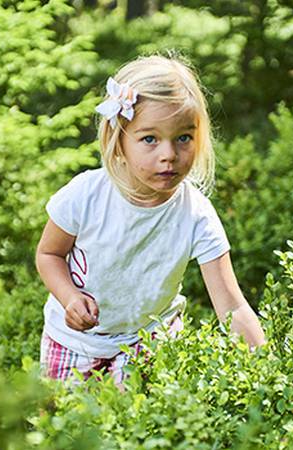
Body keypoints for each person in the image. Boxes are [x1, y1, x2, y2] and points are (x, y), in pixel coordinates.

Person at [35, 54, 266, 387]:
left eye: (183, 138)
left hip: (149, 341)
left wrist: (270, 375)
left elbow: (232, 306)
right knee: (69, 429)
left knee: (143, 431)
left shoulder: (196, 214)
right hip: (74, 342)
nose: (168, 154)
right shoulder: (85, 195)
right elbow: (49, 255)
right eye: (149, 139)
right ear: (119, 142)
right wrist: (70, 297)